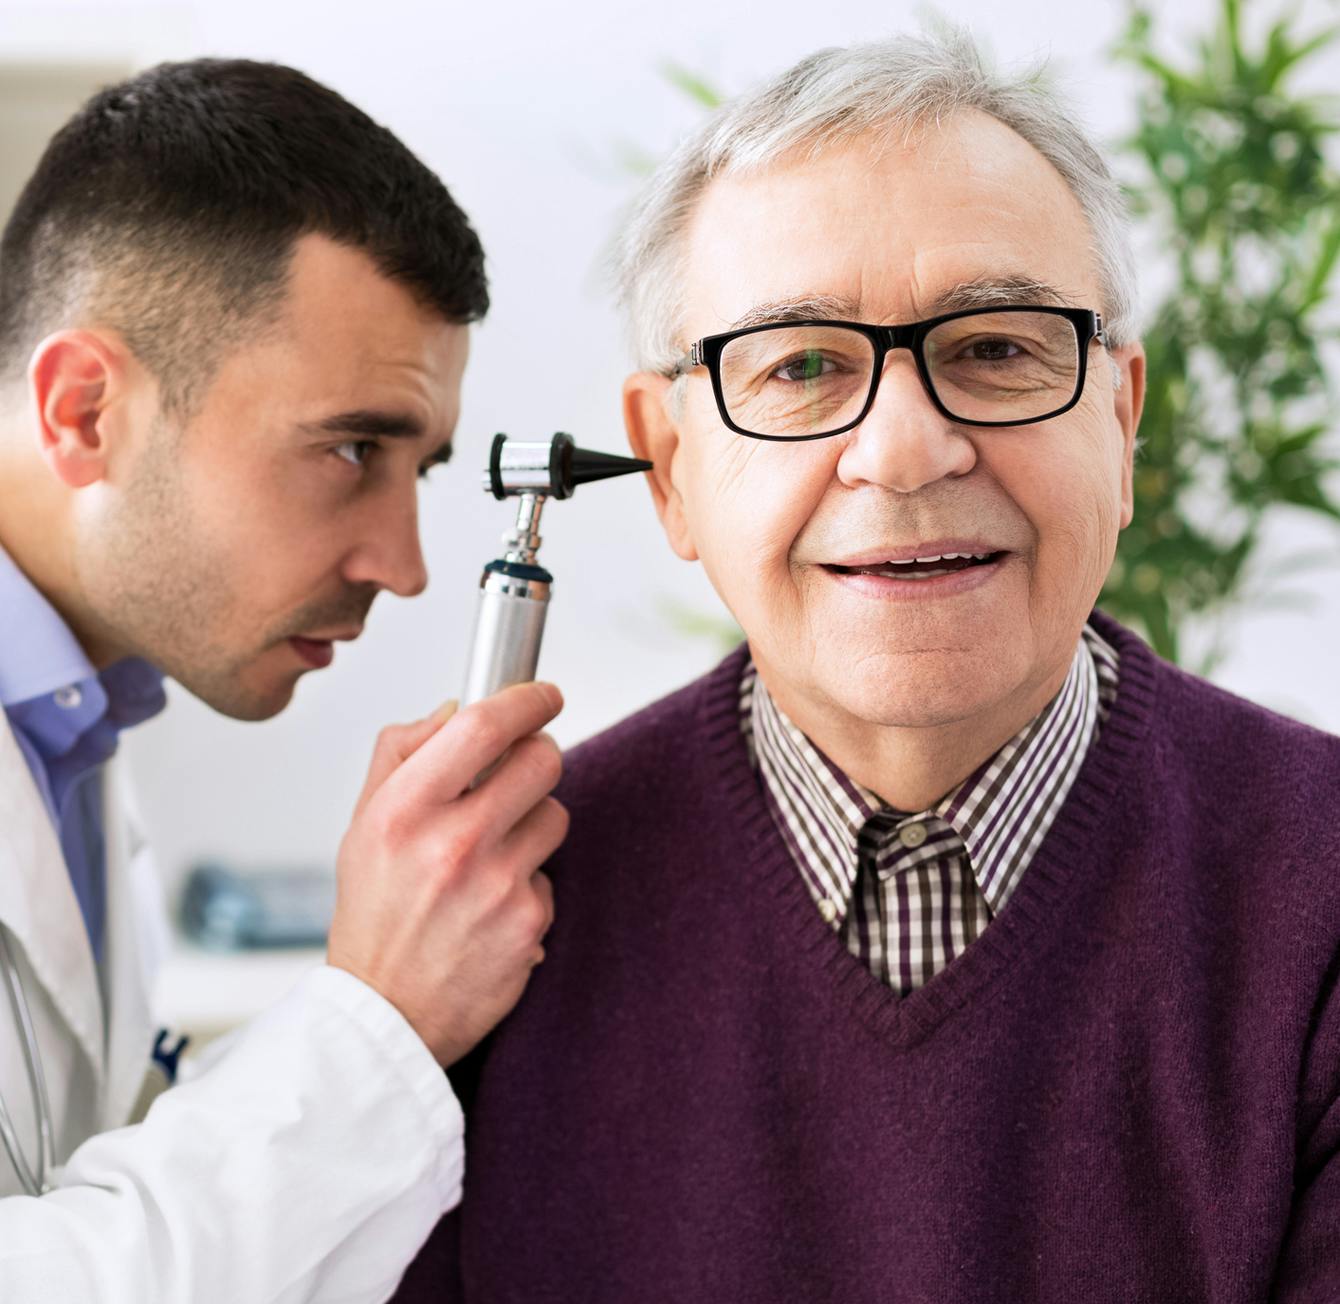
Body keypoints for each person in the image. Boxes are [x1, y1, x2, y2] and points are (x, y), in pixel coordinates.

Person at [393, 28, 1340, 1303]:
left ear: (1119, 423)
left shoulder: (1319, 892)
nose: (902, 450)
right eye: (799, 366)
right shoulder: (490, 918)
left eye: (994, 348)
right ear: (667, 466)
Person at [0, 59, 568, 1302]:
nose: (403, 567)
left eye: (418, 468)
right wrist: (377, 1017)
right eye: (351, 448)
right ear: (84, 411)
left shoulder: (71, 731)